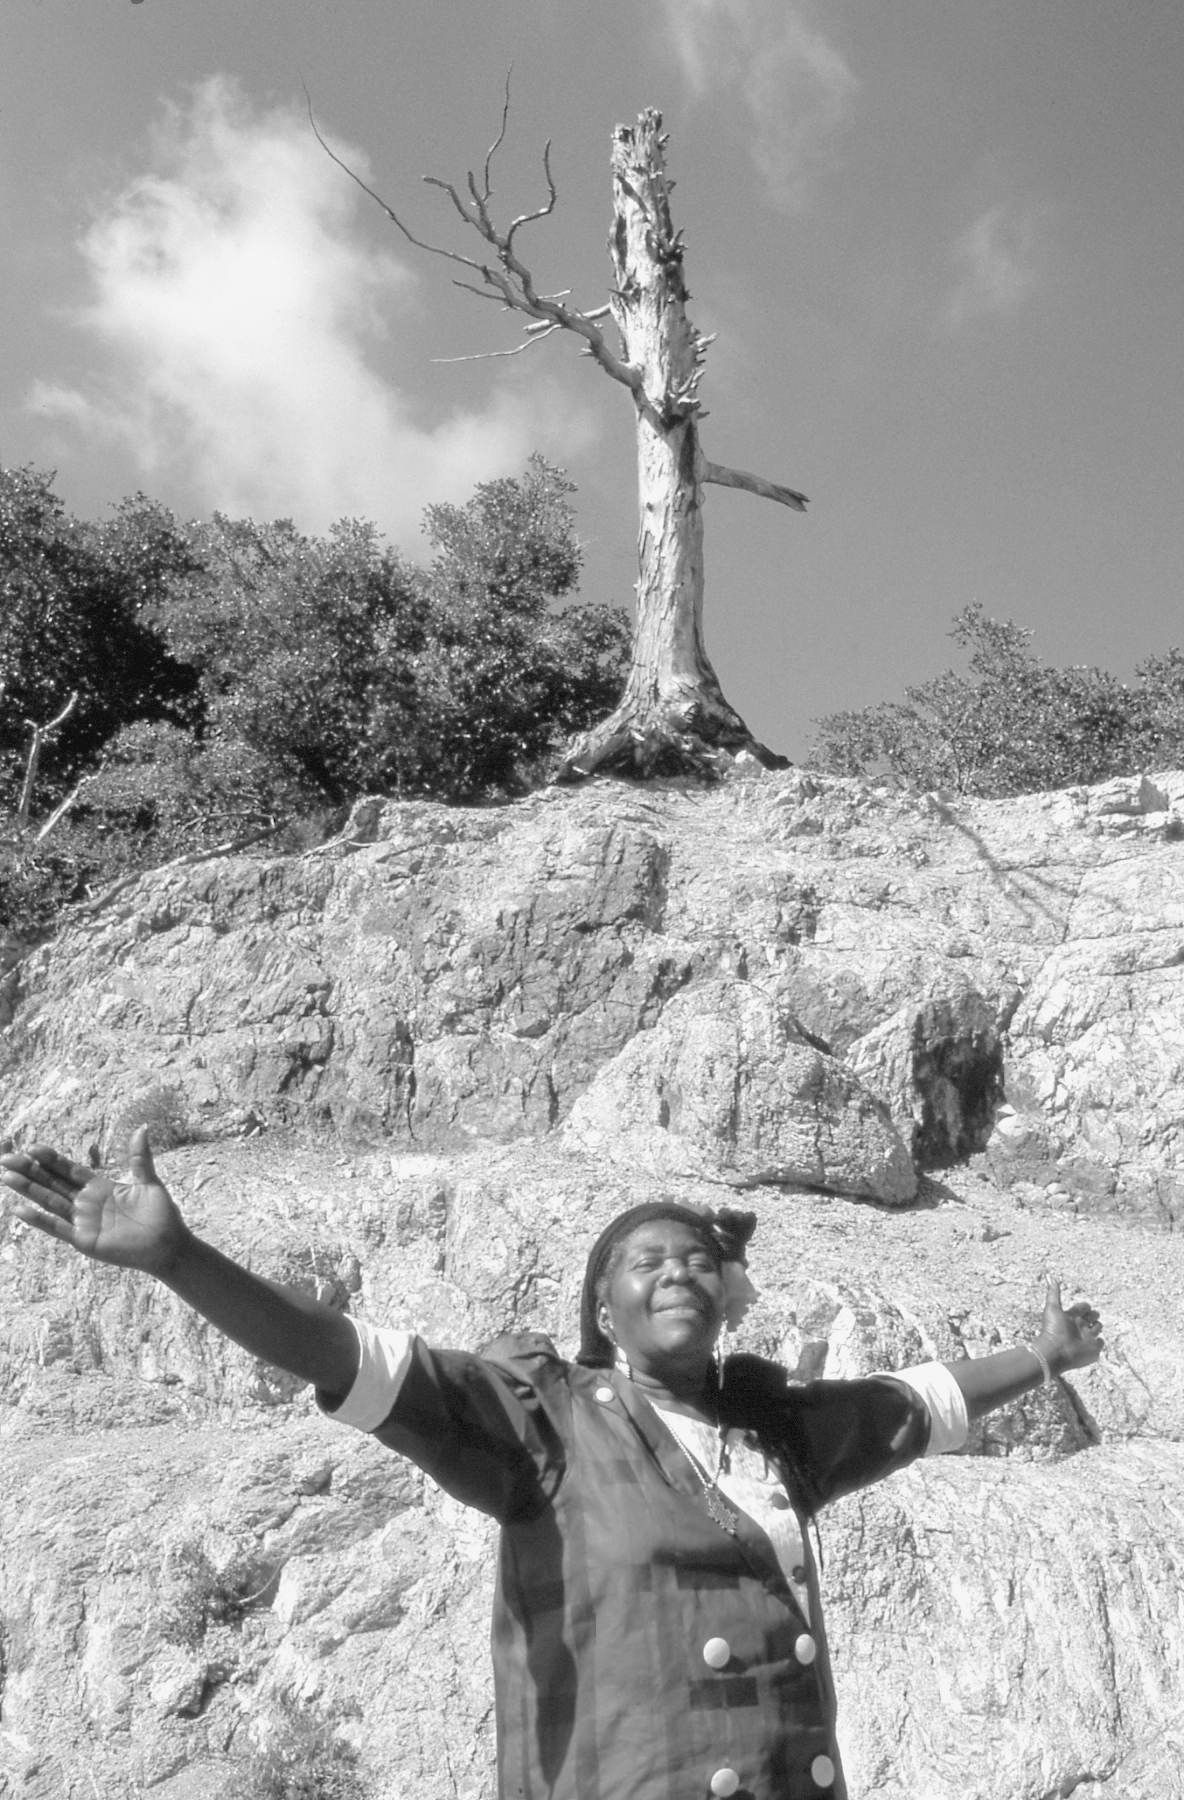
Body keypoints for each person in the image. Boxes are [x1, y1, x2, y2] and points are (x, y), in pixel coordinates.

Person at [0, 1130, 1104, 1800]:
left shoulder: (774, 1429)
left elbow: (912, 1404)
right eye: (642, 1262)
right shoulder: (539, 1421)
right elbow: (351, 1358)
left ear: (725, 1300)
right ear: (602, 1309)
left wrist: (1042, 1357)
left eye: (695, 1261)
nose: (675, 1272)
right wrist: (184, 1260)